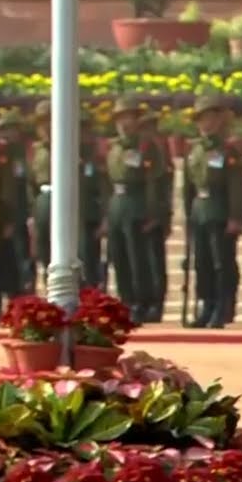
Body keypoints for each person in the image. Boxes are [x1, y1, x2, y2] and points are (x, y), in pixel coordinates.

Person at [183, 96, 242, 329]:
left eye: (210, 118)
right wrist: (188, 215)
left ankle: (222, 307)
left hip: (221, 213)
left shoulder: (228, 152)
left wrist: (236, 217)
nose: (206, 124)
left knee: (222, 264)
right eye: (202, 119)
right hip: (200, 212)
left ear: (219, 121)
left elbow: (236, 187)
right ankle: (207, 305)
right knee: (202, 263)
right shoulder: (195, 151)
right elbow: (188, 187)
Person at [28, 102, 108, 288]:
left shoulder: (78, 149)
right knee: (46, 253)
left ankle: (86, 291)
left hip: (74, 205)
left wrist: (103, 215)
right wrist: (32, 213)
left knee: (81, 255)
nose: (46, 127)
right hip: (44, 204)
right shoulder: (39, 151)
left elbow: (100, 184)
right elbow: (32, 184)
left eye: (50, 121)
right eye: (42, 122)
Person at [105, 98, 167, 325]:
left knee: (137, 258)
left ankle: (142, 302)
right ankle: (127, 300)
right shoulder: (114, 147)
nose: (124, 124)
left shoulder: (146, 147)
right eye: (120, 119)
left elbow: (154, 181)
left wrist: (153, 212)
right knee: (119, 256)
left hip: (137, 203)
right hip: (117, 205)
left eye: (128, 118)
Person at [0, 111, 32, 323]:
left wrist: (8, 219)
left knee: (10, 262)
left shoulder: (5, 152)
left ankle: (10, 306)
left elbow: (8, 188)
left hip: (1, 215)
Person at [139, 111, 172, 323]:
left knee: (154, 262)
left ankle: (156, 304)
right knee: (143, 262)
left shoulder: (159, 152)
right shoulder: (145, 150)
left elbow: (162, 188)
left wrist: (159, 216)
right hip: (139, 213)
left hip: (155, 214)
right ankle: (145, 302)